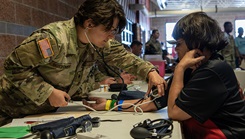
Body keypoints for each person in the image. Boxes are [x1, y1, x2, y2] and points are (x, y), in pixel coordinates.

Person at [0, 0, 166, 126]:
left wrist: (150, 72)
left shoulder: (96, 42)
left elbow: (125, 57)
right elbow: (13, 67)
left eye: (113, 31)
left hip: (36, 115)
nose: (111, 36)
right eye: (108, 30)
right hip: (7, 110)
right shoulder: (53, 39)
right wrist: (48, 92)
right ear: (89, 24)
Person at [84, 12, 245, 139]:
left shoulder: (213, 70)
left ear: (195, 42)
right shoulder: (194, 69)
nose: (176, 50)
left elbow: (174, 112)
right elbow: (153, 102)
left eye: (179, 44)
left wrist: (180, 68)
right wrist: (107, 104)